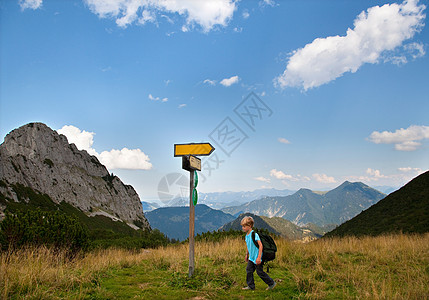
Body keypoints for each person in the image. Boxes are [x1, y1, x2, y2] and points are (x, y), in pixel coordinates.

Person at [241, 216, 276, 291]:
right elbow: (248, 245)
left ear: (249, 226)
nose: (243, 228)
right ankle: (251, 286)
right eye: (242, 226)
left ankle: (271, 283)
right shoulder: (246, 236)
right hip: (251, 258)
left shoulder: (254, 234)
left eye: (244, 226)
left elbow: (261, 245)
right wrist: (247, 254)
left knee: (259, 272)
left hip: (257, 258)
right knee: (249, 270)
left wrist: (259, 257)